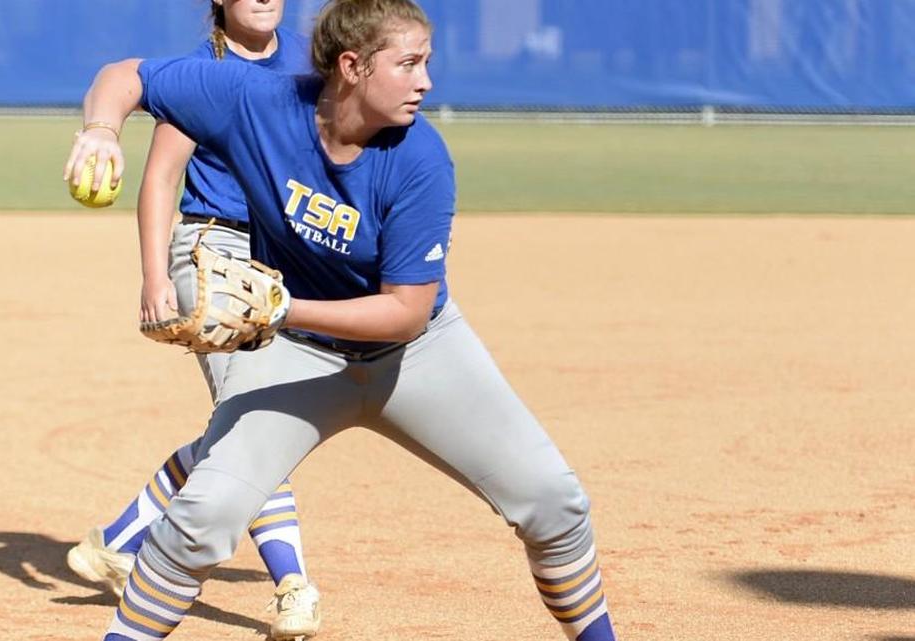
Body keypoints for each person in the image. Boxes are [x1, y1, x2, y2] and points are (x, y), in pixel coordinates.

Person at [63, 1, 619, 640]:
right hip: (295, 356)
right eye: (408, 63)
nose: (426, 82)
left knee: (554, 502)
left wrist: (280, 307)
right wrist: (102, 128)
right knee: (201, 519)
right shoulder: (256, 101)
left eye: (426, 63)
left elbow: (405, 313)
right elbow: (125, 74)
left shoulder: (421, 161)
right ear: (351, 67)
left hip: (416, 356)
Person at [64, 1, 321, 639]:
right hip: (213, 254)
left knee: (247, 425)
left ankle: (119, 540)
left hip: (280, 263)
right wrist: (155, 278)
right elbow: (160, 179)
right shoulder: (203, 71)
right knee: (262, 419)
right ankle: (292, 584)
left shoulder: (311, 63)